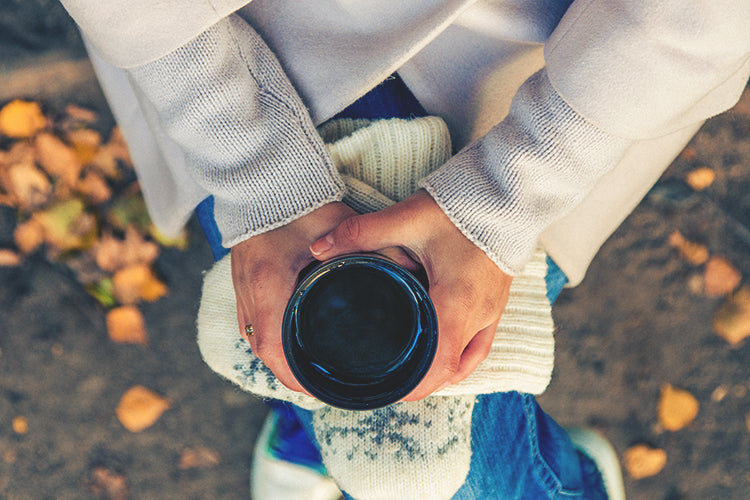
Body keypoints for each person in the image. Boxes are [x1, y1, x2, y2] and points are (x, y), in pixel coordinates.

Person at [58, 1, 750, 498]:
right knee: (281, 330)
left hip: (548, 68)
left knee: (461, 466)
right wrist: (256, 166)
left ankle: (536, 481)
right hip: (237, 53)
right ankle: (308, 436)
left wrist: (512, 188)